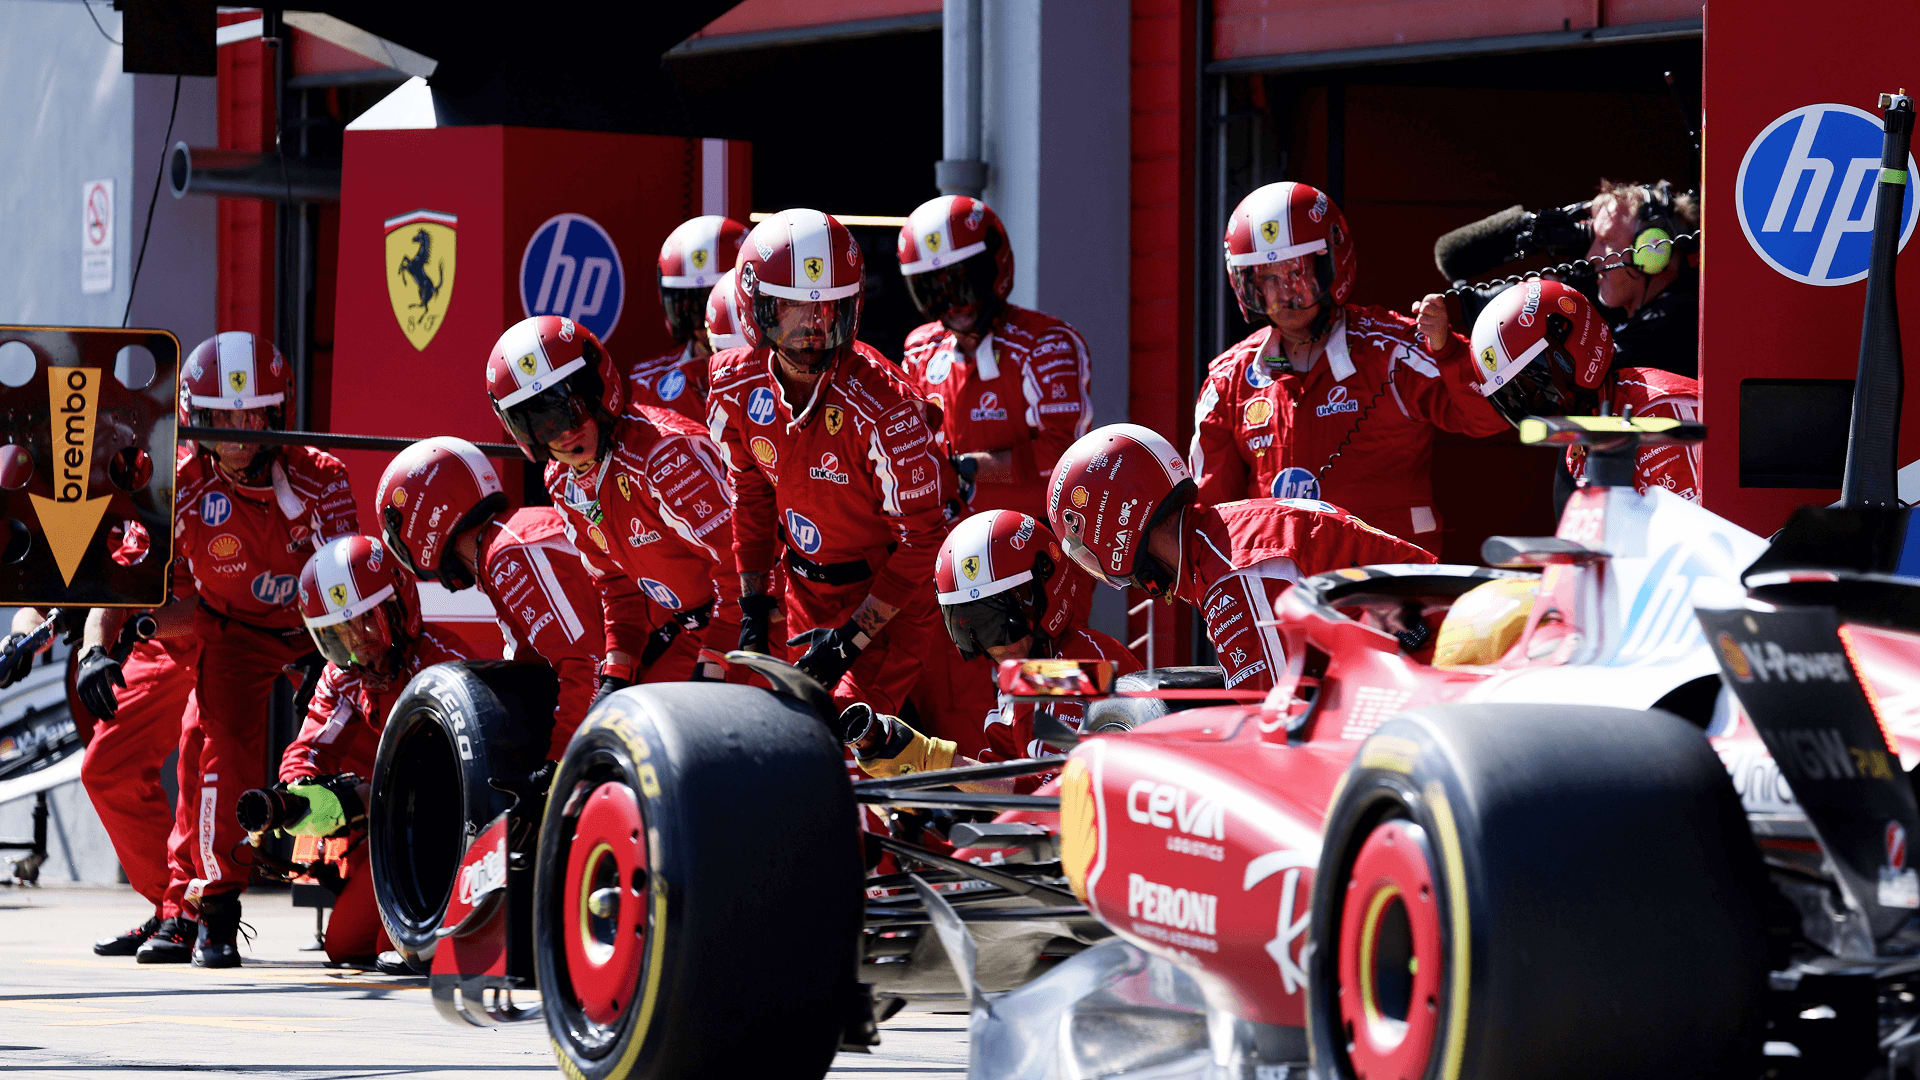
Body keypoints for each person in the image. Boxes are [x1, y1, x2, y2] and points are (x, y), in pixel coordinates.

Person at [77, 331, 358, 967]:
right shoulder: (174, 480)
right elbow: (122, 580)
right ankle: (202, 907)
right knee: (212, 751)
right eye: (218, 418)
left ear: (276, 414)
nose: (234, 433)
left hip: (313, 635)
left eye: (250, 415)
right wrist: (99, 647)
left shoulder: (323, 478)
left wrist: (332, 650)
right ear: (192, 419)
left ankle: (384, 893)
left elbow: (347, 580)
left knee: (370, 736)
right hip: (217, 628)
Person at [707, 208, 987, 741]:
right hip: (804, 589)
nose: (812, 330)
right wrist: (752, 601)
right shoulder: (729, 384)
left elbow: (923, 542)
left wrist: (853, 637)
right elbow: (751, 494)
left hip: (896, 596)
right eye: (791, 311)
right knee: (796, 743)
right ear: (754, 308)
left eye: (829, 310)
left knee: (863, 746)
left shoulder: (886, 405)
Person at [1191, 182, 1507, 547]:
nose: (1284, 294)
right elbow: (1210, 516)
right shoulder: (1229, 379)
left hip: (1389, 591)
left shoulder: (1395, 349)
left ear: (1332, 264)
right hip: (1280, 595)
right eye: (1267, 279)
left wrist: (1447, 350)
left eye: (1297, 273)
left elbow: (1489, 418)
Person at [1049, 424, 1436, 692]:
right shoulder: (1226, 537)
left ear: (1117, 525)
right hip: (1430, 664)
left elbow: (1273, 724)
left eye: (1087, 552)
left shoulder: (1232, 571)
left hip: (1443, 667)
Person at [485, 315, 739, 697]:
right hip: (698, 632)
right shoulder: (561, 481)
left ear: (601, 387)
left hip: (757, 618)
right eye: (543, 421)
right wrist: (616, 672)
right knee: (626, 733)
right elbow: (617, 587)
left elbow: (749, 565)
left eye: (576, 404)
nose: (567, 428)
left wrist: (718, 654)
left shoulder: (662, 457)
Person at [278, 534, 469, 966]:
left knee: (397, 948)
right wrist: (292, 797)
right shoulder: (341, 675)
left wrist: (374, 797)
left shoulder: (445, 663)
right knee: (343, 946)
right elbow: (307, 751)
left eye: (367, 623)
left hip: (456, 830)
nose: (358, 642)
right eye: (339, 634)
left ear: (400, 608)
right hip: (396, 832)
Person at [377, 436, 630, 759]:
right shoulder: (501, 548)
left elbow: (589, 665)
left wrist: (558, 767)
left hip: (655, 674)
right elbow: (536, 671)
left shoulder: (509, 552)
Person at [897, 196, 1094, 520]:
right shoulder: (921, 349)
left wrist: (964, 468)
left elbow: (1064, 456)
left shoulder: (1047, 344)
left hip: (1037, 540)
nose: (954, 305)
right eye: (935, 290)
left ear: (996, 265)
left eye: (965, 284)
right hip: (949, 541)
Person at [1428, 180, 1699, 378]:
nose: (1591, 255)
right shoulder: (1616, 306)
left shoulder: (1678, 321)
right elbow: (1453, 258)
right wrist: (1536, 227)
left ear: (1654, 249)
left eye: (1604, 241)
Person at [935, 509, 1141, 769]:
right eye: (972, 628)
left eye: (1002, 622)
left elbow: (1050, 791)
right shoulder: (1025, 674)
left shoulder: (1079, 667)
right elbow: (1001, 771)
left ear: (1045, 593)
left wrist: (935, 761)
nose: (993, 643)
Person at [1461, 277, 1701, 499]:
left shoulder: (1662, 414)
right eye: (1514, 398)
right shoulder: (1579, 448)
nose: (1533, 404)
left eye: (1538, 384)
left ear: (1577, 344)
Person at [629, 215, 749, 421]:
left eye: (721, 305)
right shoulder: (648, 383)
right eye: (689, 309)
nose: (706, 323)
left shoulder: (788, 374)